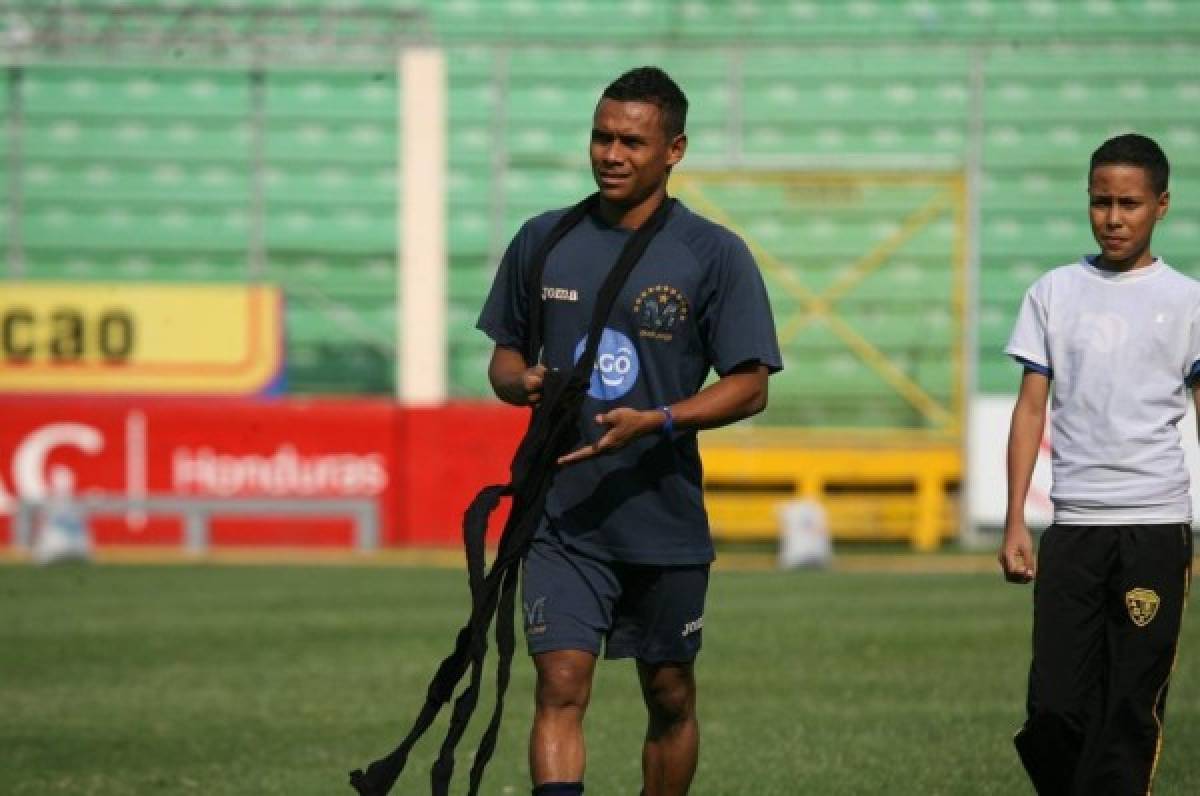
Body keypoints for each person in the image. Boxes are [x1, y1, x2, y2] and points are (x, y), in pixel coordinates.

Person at [476, 66, 782, 796]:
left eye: (631, 142)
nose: (610, 154)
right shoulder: (542, 239)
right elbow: (503, 359)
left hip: (663, 516)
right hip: (562, 514)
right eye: (600, 136)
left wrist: (662, 420)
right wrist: (520, 383)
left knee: (670, 695)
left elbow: (751, 385)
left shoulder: (714, 254)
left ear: (673, 149)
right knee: (560, 684)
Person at [999, 132, 1198, 795]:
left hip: (1155, 529)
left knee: (1128, 711)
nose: (1114, 218)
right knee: (1053, 709)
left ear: (1161, 206)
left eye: (1130, 204)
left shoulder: (1189, 301)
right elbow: (1031, 411)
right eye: (1100, 202)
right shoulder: (1054, 293)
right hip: (1075, 529)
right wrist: (1015, 521)